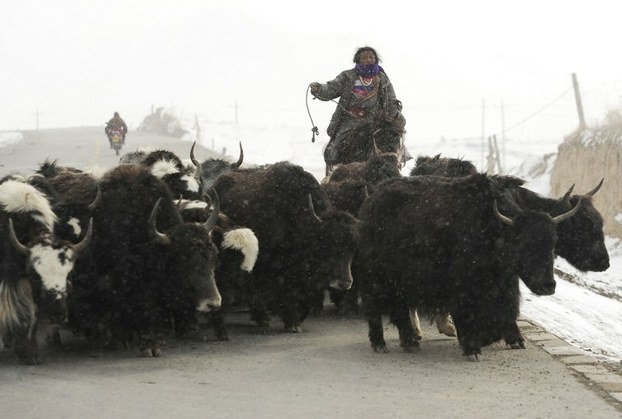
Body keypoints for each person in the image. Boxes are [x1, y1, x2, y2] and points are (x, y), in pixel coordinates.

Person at [309, 46, 406, 166]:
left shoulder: (382, 79)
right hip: (350, 121)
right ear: (358, 60)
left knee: (391, 141)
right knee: (337, 148)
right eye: (364, 57)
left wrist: (395, 116)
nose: (368, 60)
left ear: (376, 59)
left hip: (375, 122)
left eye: (371, 57)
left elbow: (391, 101)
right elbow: (331, 89)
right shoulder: (347, 77)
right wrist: (319, 88)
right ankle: (335, 170)